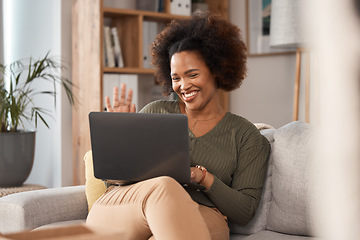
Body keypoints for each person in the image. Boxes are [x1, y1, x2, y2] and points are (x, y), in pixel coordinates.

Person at [86, 13, 270, 240]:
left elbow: (244, 212)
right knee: (164, 187)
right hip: (128, 206)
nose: (183, 86)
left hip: (202, 215)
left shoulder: (246, 136)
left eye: (192, 74)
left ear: (217, 70)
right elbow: (113, 181)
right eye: (176, 78)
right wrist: (120, 137)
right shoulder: (154, 112)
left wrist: (203, 177)